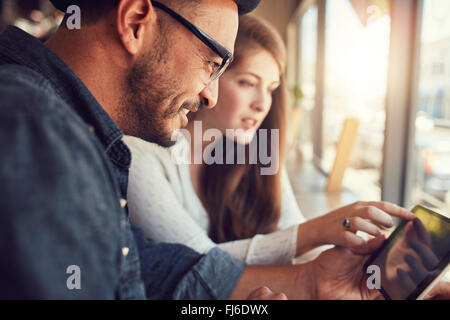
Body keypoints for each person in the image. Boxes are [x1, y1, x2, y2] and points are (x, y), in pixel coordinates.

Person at [0, 0, 447, 300]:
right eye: (212, 63)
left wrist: (312, 282)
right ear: (135, 22)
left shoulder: (80, 135)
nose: (210, 96)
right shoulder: (38, 132)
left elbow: (149, 269)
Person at [124, 15, 413, 265]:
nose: (263, 104)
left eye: (271, 88)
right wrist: (313, 232)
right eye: (247, 83)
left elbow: (293, 232)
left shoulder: (257, 151)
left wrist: (366, 264)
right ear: (209, 76)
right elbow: (198, 263)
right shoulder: (141, 155)